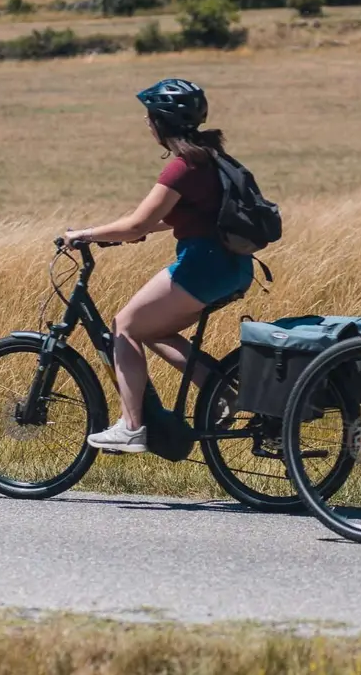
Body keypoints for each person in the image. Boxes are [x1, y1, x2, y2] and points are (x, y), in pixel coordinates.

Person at [65, 78, 255, 453]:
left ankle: (132, 427)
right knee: (151, 330)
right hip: (233, 266)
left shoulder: (182, 167)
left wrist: (84, 234)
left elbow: (137, 222)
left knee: (124, 326)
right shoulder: (210, 157)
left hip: (203, 265)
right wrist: (139, 231)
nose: (147, 124)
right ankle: (224, 394)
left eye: (149, 117)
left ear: (160, 123)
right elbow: (175, 218)